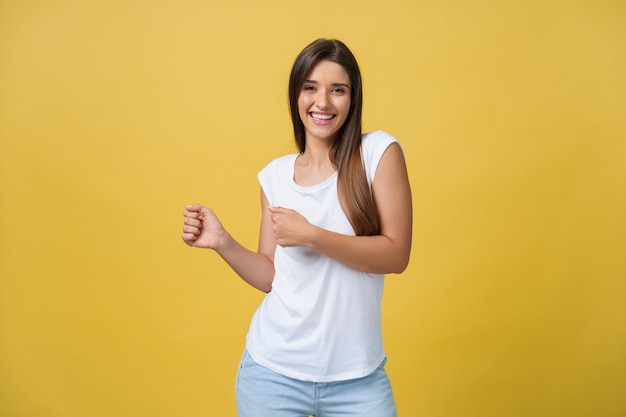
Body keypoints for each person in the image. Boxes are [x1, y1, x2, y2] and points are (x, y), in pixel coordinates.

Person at [182, 38, 412, 417]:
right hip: (273, 373)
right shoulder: (274, 177)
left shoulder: (378, 154)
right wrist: (222, 242)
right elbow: (271, 276)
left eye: (337, 90)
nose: (322, 102)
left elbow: (396, 254)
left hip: (358, 378)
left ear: (352, 99)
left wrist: (312, 236)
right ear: (296, 96)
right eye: (310, 88)